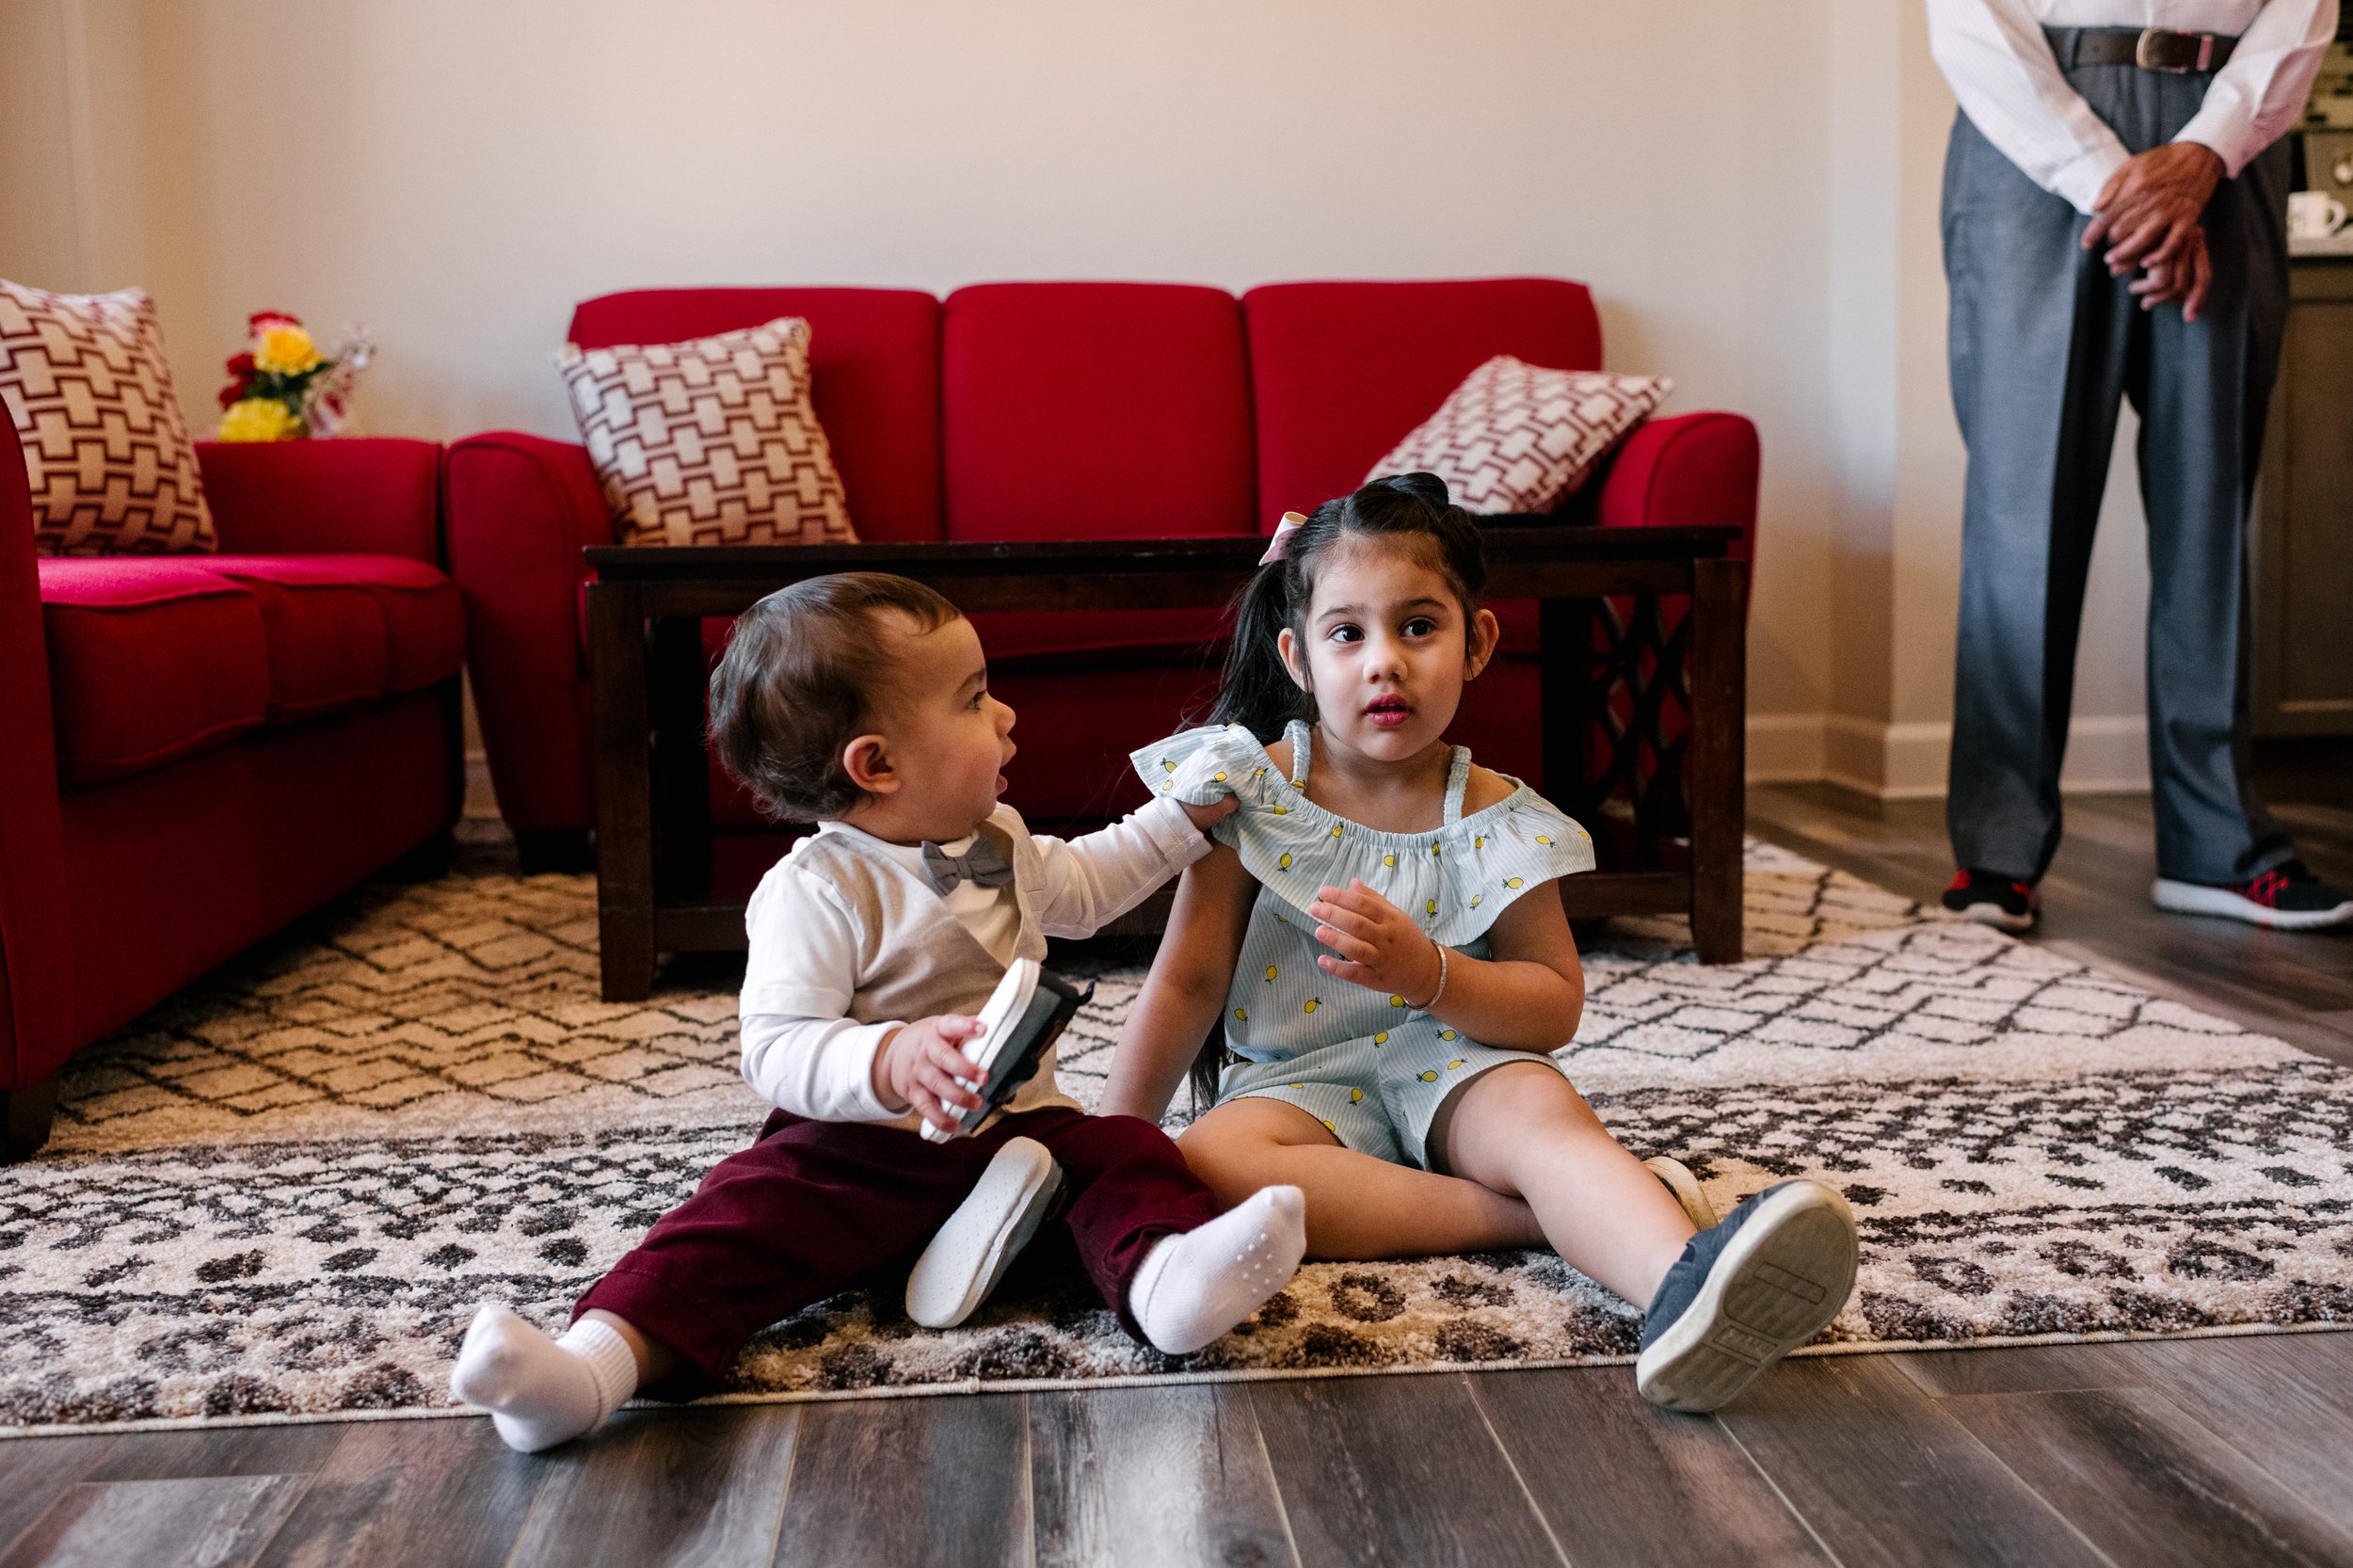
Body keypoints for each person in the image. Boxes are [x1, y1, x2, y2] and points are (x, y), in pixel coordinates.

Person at [449, 572, 1305, 1452]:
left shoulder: (1000, 840)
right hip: (861, 1152)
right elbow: (775, 1049)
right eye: (975, 700)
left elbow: (1090, 884)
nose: (1006, 716)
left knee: (1128, 1153)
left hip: (1023, 1140)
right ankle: (588, 1371)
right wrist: (888, 1059)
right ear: (877, 764)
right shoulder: (814, 890)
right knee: (740, 1219)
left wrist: (1185, 816)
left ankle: (1166, 1287)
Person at [1100, 476, 1859, 1414]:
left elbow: (1552, 1001)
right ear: (1296, 657)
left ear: (1477, 643)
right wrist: (1111, 1150)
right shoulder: (1245, 792)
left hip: (1455, 1069)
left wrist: (1432, 974)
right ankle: (1537, 1220)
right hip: (1297, 1087)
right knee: (1211, 1159)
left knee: (1541, 1113)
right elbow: (1187, 980)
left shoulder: (1498, 817)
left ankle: (1682, 1279)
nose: (1385, 662)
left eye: (1418, 627)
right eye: (1349, 634)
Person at [1928, 0, 2350, 933]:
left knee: (2211, 504)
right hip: (2033, 128)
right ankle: (1998, 849)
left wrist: (2205, 154)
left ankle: (2216, 844)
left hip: (2230, 134)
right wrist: (2117, 184)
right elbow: (1966, 14)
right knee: (2020, 513)